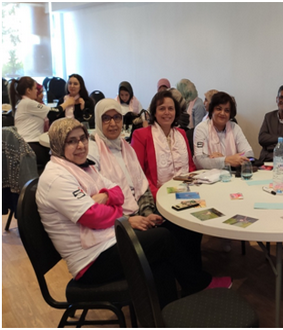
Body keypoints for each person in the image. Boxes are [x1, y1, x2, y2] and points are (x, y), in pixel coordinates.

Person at [35, 118, 202, 307]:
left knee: (161, 253)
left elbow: (118, 192)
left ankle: (167, 315)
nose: (81, 145)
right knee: (163, 238)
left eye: (82, 138)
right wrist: (122, 216)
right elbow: (93, 216)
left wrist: (105, 196)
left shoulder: (83, 166)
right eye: (71, 141)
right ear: (58, 144)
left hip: (106, 240)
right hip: (91, 262)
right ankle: (198, 285)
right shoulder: (56, 177)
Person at [88, 98, 231, 292]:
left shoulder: (124, 146)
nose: (113, 123)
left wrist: (148, 210)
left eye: (116, 118)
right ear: (154, 112)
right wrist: (142, 212)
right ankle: (196, 282)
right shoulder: (95, 152)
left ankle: (192, 276)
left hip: (160, 199)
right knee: (172, 232)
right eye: (106, 118)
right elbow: (103, 198)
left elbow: (141, 184)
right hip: (135, 212)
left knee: (193, 224)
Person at [131, 90, 196, 200]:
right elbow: (138, 175)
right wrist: (160, 197)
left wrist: (195, 188)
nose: (167, 112)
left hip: (187, 193)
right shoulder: (141, 136)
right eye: (162, 108)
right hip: (157, 196)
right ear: (154, 112)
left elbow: (190, 167)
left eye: (171, 108)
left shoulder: (182, 134)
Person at [10, 76, 75, 169]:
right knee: (60, 158)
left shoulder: (24, 103)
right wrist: (67, 103)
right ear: (28, 90)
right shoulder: (28, 103)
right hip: (30, 145)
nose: (37, 91)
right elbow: (53, 112)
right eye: (35, 88)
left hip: (26, 144)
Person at [193, 91, 254, 169]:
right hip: (208, 177)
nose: (222, 113)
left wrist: (224, 158)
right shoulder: (201, 129)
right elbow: (200, 161)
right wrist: (227, 160)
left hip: (231, 175)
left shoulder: (235, 127)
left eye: (227, 110)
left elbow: (249, 154)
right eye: (218, 109)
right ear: (212, 110)